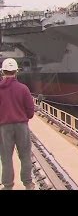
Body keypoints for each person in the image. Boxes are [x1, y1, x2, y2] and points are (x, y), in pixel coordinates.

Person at [0, 58, 35, 190]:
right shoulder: (23, 88)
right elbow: (31, 111)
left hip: (4, 127)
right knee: (25, 155)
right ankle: (28, 183)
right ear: (16, 71)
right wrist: (24, 117)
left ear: (3, 71)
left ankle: (8, 186)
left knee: (6, 157)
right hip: (21, 126)